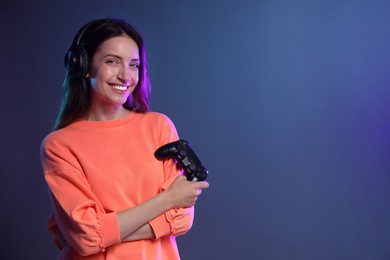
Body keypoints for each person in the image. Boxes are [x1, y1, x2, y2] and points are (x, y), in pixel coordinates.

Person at [40, 18, 209, 259]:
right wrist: (168, 200)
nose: (125, 76)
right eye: (112, 62)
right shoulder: (59, 145)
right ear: (84, 66)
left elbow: (181, 219)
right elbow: (87, 238)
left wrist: (102, 231)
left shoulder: (158, 127)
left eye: (134, 65)